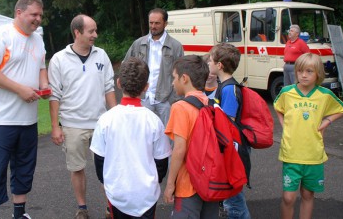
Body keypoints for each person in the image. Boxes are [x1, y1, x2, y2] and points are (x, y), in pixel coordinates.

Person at [0, 0, 50, 219]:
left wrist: (44, 85)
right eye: (33, 14)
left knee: (24, 170)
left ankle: (19, 214)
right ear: (19, 13)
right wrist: (20, 89)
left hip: (28, 120)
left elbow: (41, 66)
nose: (38, 19)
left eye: (40, 15)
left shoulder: (38, 38)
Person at [48, 14, 117, 219]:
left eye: (95, 30)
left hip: (101, 123)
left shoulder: (101, 55)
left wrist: (115, 119)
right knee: (77, 168)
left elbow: (109, 89)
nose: (95, 34)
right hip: (72, 124)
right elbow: (54, 96)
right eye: (91, 31)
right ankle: (82, 208)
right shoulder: (59, 59)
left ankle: (111, 207)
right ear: (77, 33)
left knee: (108, 168)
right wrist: (55, 126)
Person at [90, 57, 171, 218]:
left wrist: (105, 182)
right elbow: (161, 162)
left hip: (117, 193)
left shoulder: (106, 119)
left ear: (118, 83)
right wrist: (155, 181)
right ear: (146, 87)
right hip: (146, 195)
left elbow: (99, 159)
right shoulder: (154, 121)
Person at [274, 53, 343, 219]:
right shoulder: (287, 92)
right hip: (291, 152)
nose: (303, 75)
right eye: (300, 71)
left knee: (307, 195)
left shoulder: (324, 95)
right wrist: (284, 125)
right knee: (288, 197)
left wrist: (327, 121)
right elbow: (278, 107)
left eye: (309, 71)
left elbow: (342, 109)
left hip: (313, 154)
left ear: (318, 74)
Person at [163, 55, 219, 218]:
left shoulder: (180, 107)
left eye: (174, 78)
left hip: (188, 184)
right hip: (211, 182)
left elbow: (179, 149)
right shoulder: (212, 105)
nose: (173, 83)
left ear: (184, 78)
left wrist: (170, 184)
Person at [207, 43, 250, 219]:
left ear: (219, 65)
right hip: (231, 148)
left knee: (234, 200)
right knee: (231, 198)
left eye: (210, 59)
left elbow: (228, 125)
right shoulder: (224, 86)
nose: (208, 62)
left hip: (232, 150)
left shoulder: (229, 89)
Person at [123, 8, 184, 127]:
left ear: (165, 24)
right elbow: (126, 67)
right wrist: (132, 94)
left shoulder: (175, 46)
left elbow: (181, 74)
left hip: (166, 101)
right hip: (143, 98)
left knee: (167, 138)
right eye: (151, 23)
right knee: (143, 135)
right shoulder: (139, 44)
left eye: (157, 23)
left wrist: (174, 100)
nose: (153, 26)